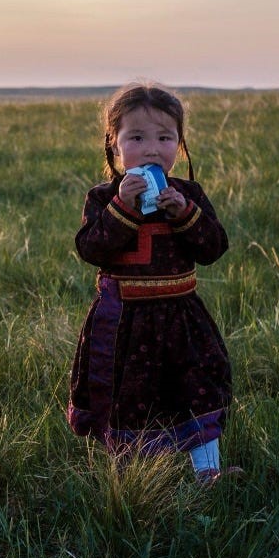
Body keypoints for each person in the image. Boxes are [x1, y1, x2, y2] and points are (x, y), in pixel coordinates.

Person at [66, 82, 239, 485]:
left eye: (164, 138)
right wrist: (122, 208)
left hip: (182, 318)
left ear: (180, 144)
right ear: (114, 143)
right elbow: (91, 248)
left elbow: (213, 247)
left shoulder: (187, 194)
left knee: (197, 389)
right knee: (128, 397)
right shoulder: (104, 197)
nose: (151, 149)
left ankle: (207, 472)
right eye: (137, 138)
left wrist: (185, 214)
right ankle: (129, 478)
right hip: (124, 321)